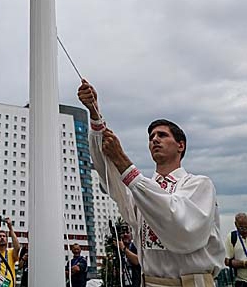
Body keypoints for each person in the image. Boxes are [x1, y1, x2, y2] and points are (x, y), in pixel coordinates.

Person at [77, 80, 224, 287]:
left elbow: (181, 227)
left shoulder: (199, 185)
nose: (155, 139)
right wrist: (95, 114)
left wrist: (123, 162)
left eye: (162, 135)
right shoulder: (140, 192)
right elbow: (109, 174)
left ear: (180, 145)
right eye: (151, 136)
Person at [225, 213, 247, 287]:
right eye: (241, 227)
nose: (244, 230)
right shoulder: (232, 237)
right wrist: (243, 264)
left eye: (246, 227)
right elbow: (227, 261)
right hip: (242, 282)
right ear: (236, 224)